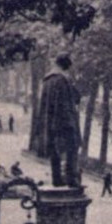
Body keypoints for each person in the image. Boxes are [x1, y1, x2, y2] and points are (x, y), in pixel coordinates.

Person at [34, 53, 82, 188]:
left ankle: (57, 178)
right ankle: (72, 178)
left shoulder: (47, 80)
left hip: (49, 122)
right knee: (73, 145)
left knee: (54, 150)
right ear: (67, 66)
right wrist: (71, 124)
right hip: (63, 122)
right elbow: (73, 99)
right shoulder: (63, 80)